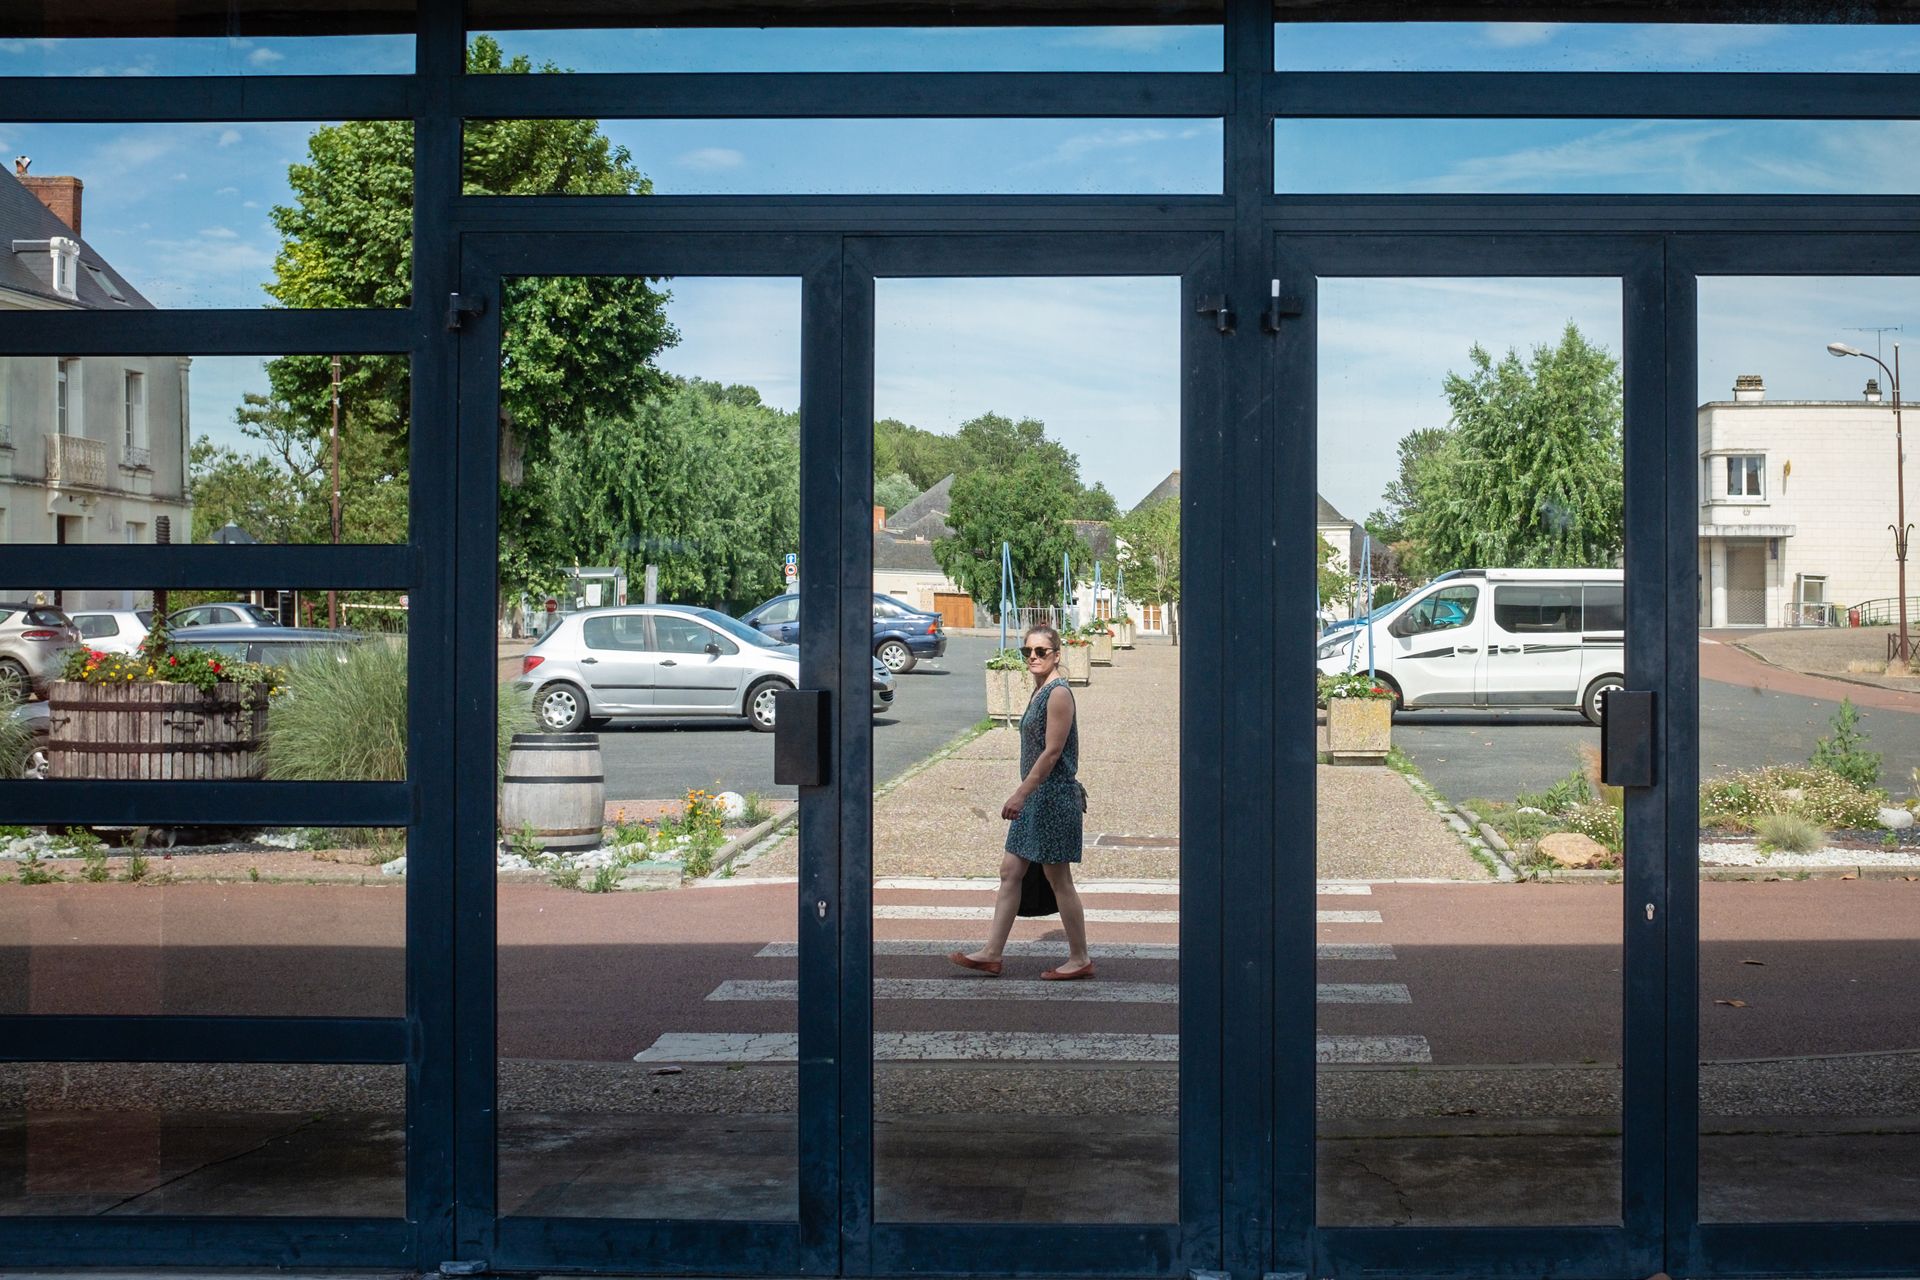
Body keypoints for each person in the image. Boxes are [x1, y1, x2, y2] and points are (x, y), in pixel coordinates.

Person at [950, 625, 1093, 981]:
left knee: (1058, 878)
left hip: (1052, 797)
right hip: (1037, 798)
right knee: (1010, 872)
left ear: (1057, 655)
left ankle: (1079, 957)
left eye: (1042, 651)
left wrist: (1020, 793)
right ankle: (992, 953)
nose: (1033, 656)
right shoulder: (1040, 690)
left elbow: (1052, 753)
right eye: (1027, 650)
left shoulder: (1058, 694)